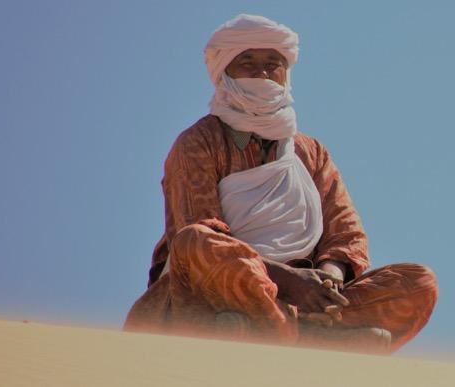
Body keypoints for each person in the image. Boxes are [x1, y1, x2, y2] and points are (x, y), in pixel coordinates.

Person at [123, 14, 437, 354]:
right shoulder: (198, 143)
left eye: (273, 64)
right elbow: (198, 234)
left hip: (308, 296)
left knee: (418, 283)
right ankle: (307, 337)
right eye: (248, 63)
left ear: (286, 73)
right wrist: (286, 281)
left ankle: (284, 329)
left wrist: (328, 279)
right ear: (224, 71)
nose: (262, 73)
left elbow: (346, 235)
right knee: (196, 242)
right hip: (222, 289)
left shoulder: (310, 152)